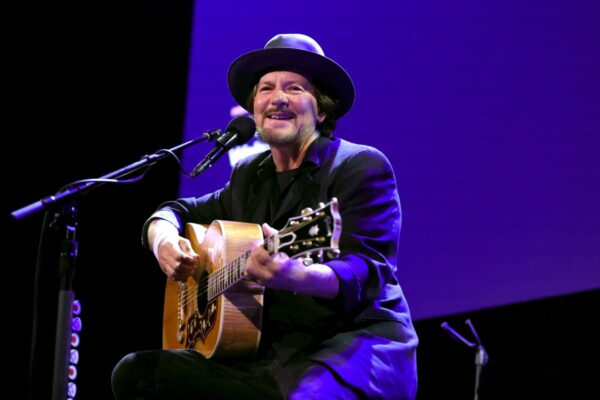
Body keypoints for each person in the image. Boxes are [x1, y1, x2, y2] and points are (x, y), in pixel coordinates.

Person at [111, 33, 418, 399]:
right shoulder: (249, 176)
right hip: (266, 358)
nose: (278, 98)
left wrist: (298, 276)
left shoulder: (359, 165)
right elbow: (177, 210)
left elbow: (366, 270)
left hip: (347, 350)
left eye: (295, 88)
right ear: (254, 110)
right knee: (137, 373)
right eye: (266, 88)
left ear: (322, 110)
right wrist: (162, 238)